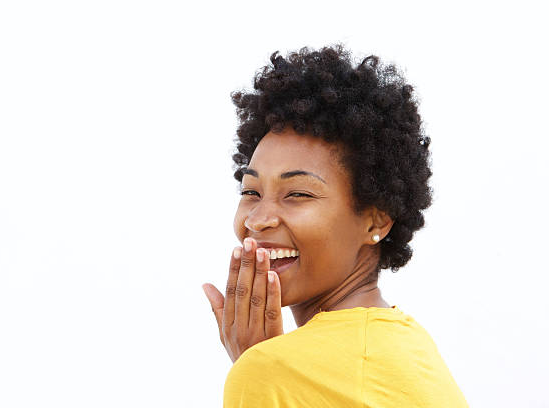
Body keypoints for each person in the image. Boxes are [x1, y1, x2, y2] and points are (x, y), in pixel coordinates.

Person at [201, 44, 469, 407]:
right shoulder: (409, 346)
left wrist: (261, 370)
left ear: (377, 218)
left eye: (297, 194)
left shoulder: (272, 373)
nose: (258, 219)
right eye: (251, 191)